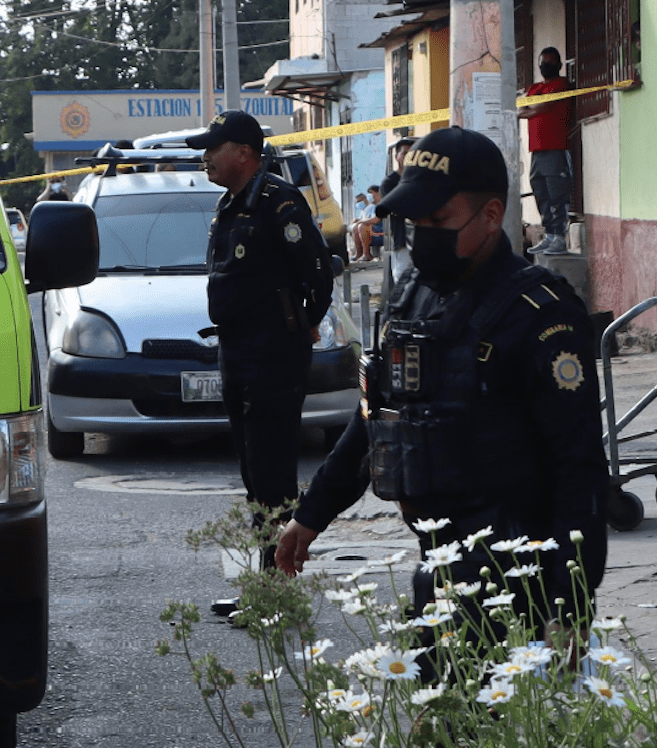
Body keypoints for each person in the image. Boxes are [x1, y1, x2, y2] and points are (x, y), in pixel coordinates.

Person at [276, 126, 609, 672]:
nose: (421, 234)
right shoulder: (415, 295)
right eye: (414, 221)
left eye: (438, 221)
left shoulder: (541, 313)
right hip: (439, 564)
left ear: (489, 214)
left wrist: (570, 605)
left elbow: (580, 469)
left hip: (518, 576)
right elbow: (379, 418)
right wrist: (312, 513)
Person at [185, 110, 333, 596]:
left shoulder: (279, 201)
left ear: (244, 153)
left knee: (273, 474)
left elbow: (318, 273)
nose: (205, 157)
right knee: (252, 471)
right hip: (237, 350)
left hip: (273, 356)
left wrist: (302, 325)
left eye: (214, 147)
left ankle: (277, 591)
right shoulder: (229, 204)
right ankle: (266, 583)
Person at [518, 47, 573, 256]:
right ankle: (549, 235)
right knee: (541, 192)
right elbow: (523, 107)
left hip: (556, 147)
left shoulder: (561, 85)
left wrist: (530, 110)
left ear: (559, 65)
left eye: (550, 63)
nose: (545, 66)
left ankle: (559, 237)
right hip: (537, 149)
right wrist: (531, 109)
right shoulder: (535, 87)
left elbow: (543, 107)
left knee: (557, 193)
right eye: (543, 62)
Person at [381, 135, 417, 285]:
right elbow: (394, 208)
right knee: (403, 283)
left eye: (413, 153)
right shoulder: (389, 183)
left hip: (424, 240)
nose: (409, 157)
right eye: (405, 153)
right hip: (402, 241)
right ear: (397, 157)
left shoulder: (424, 180)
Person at [349, 185, 383, 262]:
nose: (371, 196)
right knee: (356, 227)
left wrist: (361, 221)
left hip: (382, 229)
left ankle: (366, 254)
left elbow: (375, 220)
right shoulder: (372, 206)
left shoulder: (381, 204)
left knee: (362, 226)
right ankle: (359, 254)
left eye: (372, 193)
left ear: (378, 193)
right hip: (374, 229)